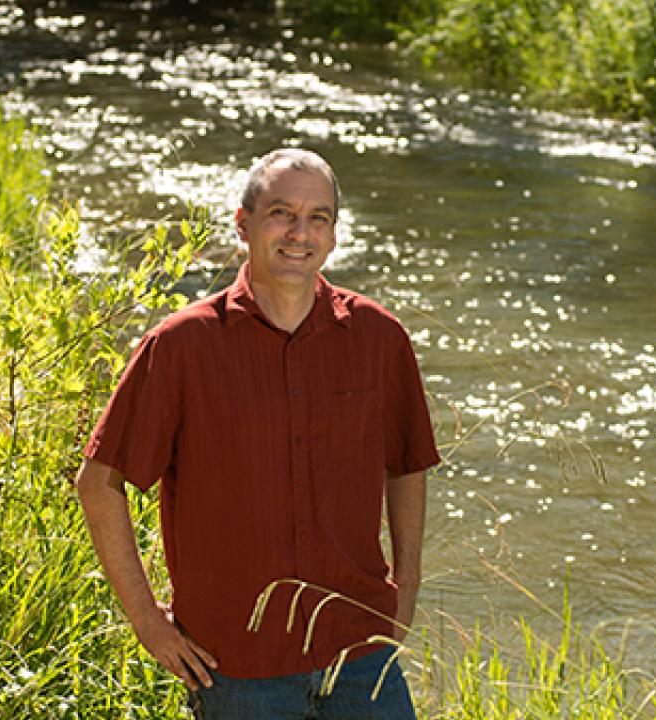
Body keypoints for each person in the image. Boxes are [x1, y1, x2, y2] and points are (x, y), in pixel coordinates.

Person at [74, 148, 440, 719]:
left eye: (318, 216)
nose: (300, 233)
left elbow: (407, 462)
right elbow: (99, 482)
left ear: (336, 235)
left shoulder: (378, 337)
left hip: (361, 653)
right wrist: (148, 623)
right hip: (238, 669)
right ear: (242, 225)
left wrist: (407, 585)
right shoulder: (182, 347)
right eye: (281, 213)